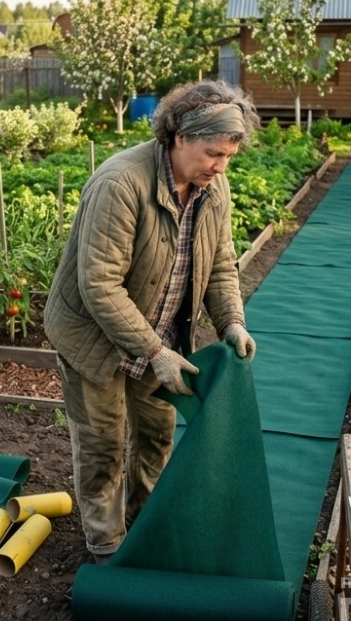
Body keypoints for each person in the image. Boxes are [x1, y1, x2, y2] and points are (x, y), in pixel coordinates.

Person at [43, 79, 261, 564]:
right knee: (102, 445)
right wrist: (156, 352)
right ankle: (107, 544)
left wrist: (231, 322)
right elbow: (99, 285)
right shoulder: (121, 184)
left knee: (157, 437)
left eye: (228, 156)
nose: (220, 167)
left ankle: (146, 524)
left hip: (161, 337)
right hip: (95, 340)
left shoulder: (212, 187)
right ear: (179, 136)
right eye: (212, 154)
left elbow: (221, 263)